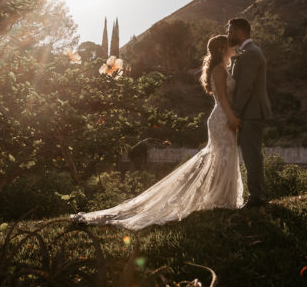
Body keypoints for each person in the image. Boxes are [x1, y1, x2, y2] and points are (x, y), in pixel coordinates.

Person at [73, 35, 243, 230]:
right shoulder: (219, 71)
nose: (234, 47)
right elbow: (222, 98)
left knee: (223, 157)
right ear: (222, 48)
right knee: (223, 156)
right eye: (230, 45)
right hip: (222, 118)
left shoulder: (222, 69)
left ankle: (221, 199)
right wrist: (232, 118)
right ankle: (219, 200)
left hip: (221, 117)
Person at [227, 17, 273, 209]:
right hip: (250, 111)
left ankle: (257, 197)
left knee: (252, 155)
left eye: (230, 30)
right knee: (251, 155)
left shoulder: (252, 53)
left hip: (251, 112)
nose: (228, 34)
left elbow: (246, 87)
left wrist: (235, 114)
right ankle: (257, 195)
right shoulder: (246, 52)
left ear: (238, 31)